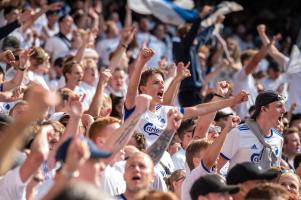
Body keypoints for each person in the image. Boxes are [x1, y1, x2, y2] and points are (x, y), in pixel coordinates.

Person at [125, 47, 248, 147]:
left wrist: (232, 100)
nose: (161, 86)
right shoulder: (135, 107)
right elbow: (131, 89)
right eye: (156, 82)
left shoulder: (166, 111)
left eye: (163, 83)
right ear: (142, 88)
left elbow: (199, 109)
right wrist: (141, 62)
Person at [218, 90, 285, 171]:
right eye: (279, 106)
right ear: (263, 109)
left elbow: (275, 171)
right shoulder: (238, 133)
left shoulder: (278, 138)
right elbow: (217, 167)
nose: (284, 110)